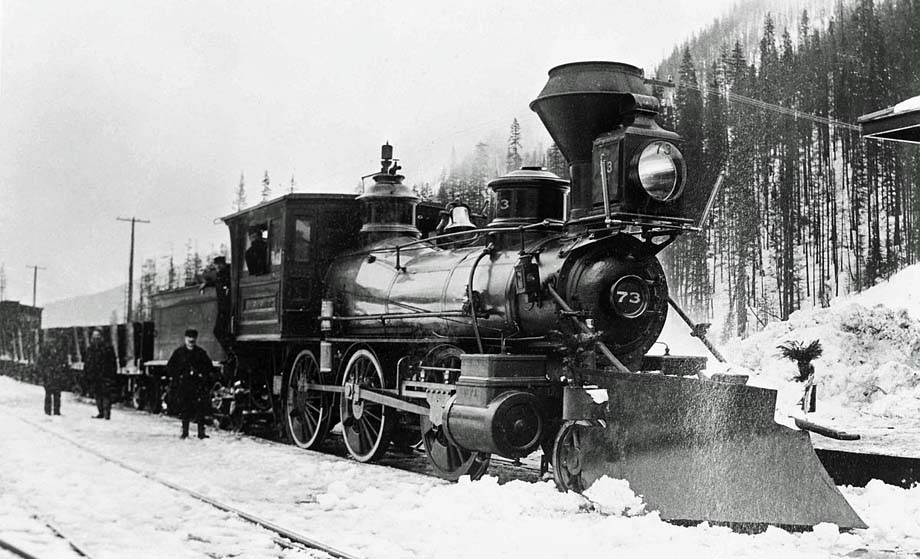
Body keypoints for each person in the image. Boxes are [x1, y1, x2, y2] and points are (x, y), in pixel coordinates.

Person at [166, 329, 215, 439]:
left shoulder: (201, 353)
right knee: (185, 408)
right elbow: (170, 367)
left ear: (196, 339)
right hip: (184, 385)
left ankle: (201, 433)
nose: (191, 340)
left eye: (193, 338)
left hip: (197, 385)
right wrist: (178, 377)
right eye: (189, 338)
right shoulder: (179, 353)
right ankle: (185, 432)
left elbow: (209, 367)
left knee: (200, 409)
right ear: (185, 338)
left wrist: (203, 376)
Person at [84, 329, 117, 420]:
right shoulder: (90, 349)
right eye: (94, 337)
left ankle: (107, 414)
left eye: (98, 336)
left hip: (105, 375)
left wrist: (112, 375)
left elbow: (112, 363)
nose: (96, 338)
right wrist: (87, 374)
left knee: (106, 395)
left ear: (102, 337)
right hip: (95, 376)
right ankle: (101, 412)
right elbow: (87, 363)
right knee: (97, 395)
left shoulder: (107, 348)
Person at [37, 338, 69, 415]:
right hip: (50, 377)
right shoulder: (48, 356)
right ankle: (52, 410)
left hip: (53, 377)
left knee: (54, 394)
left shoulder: (47, 355)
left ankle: (53, 410)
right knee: (51, 394)